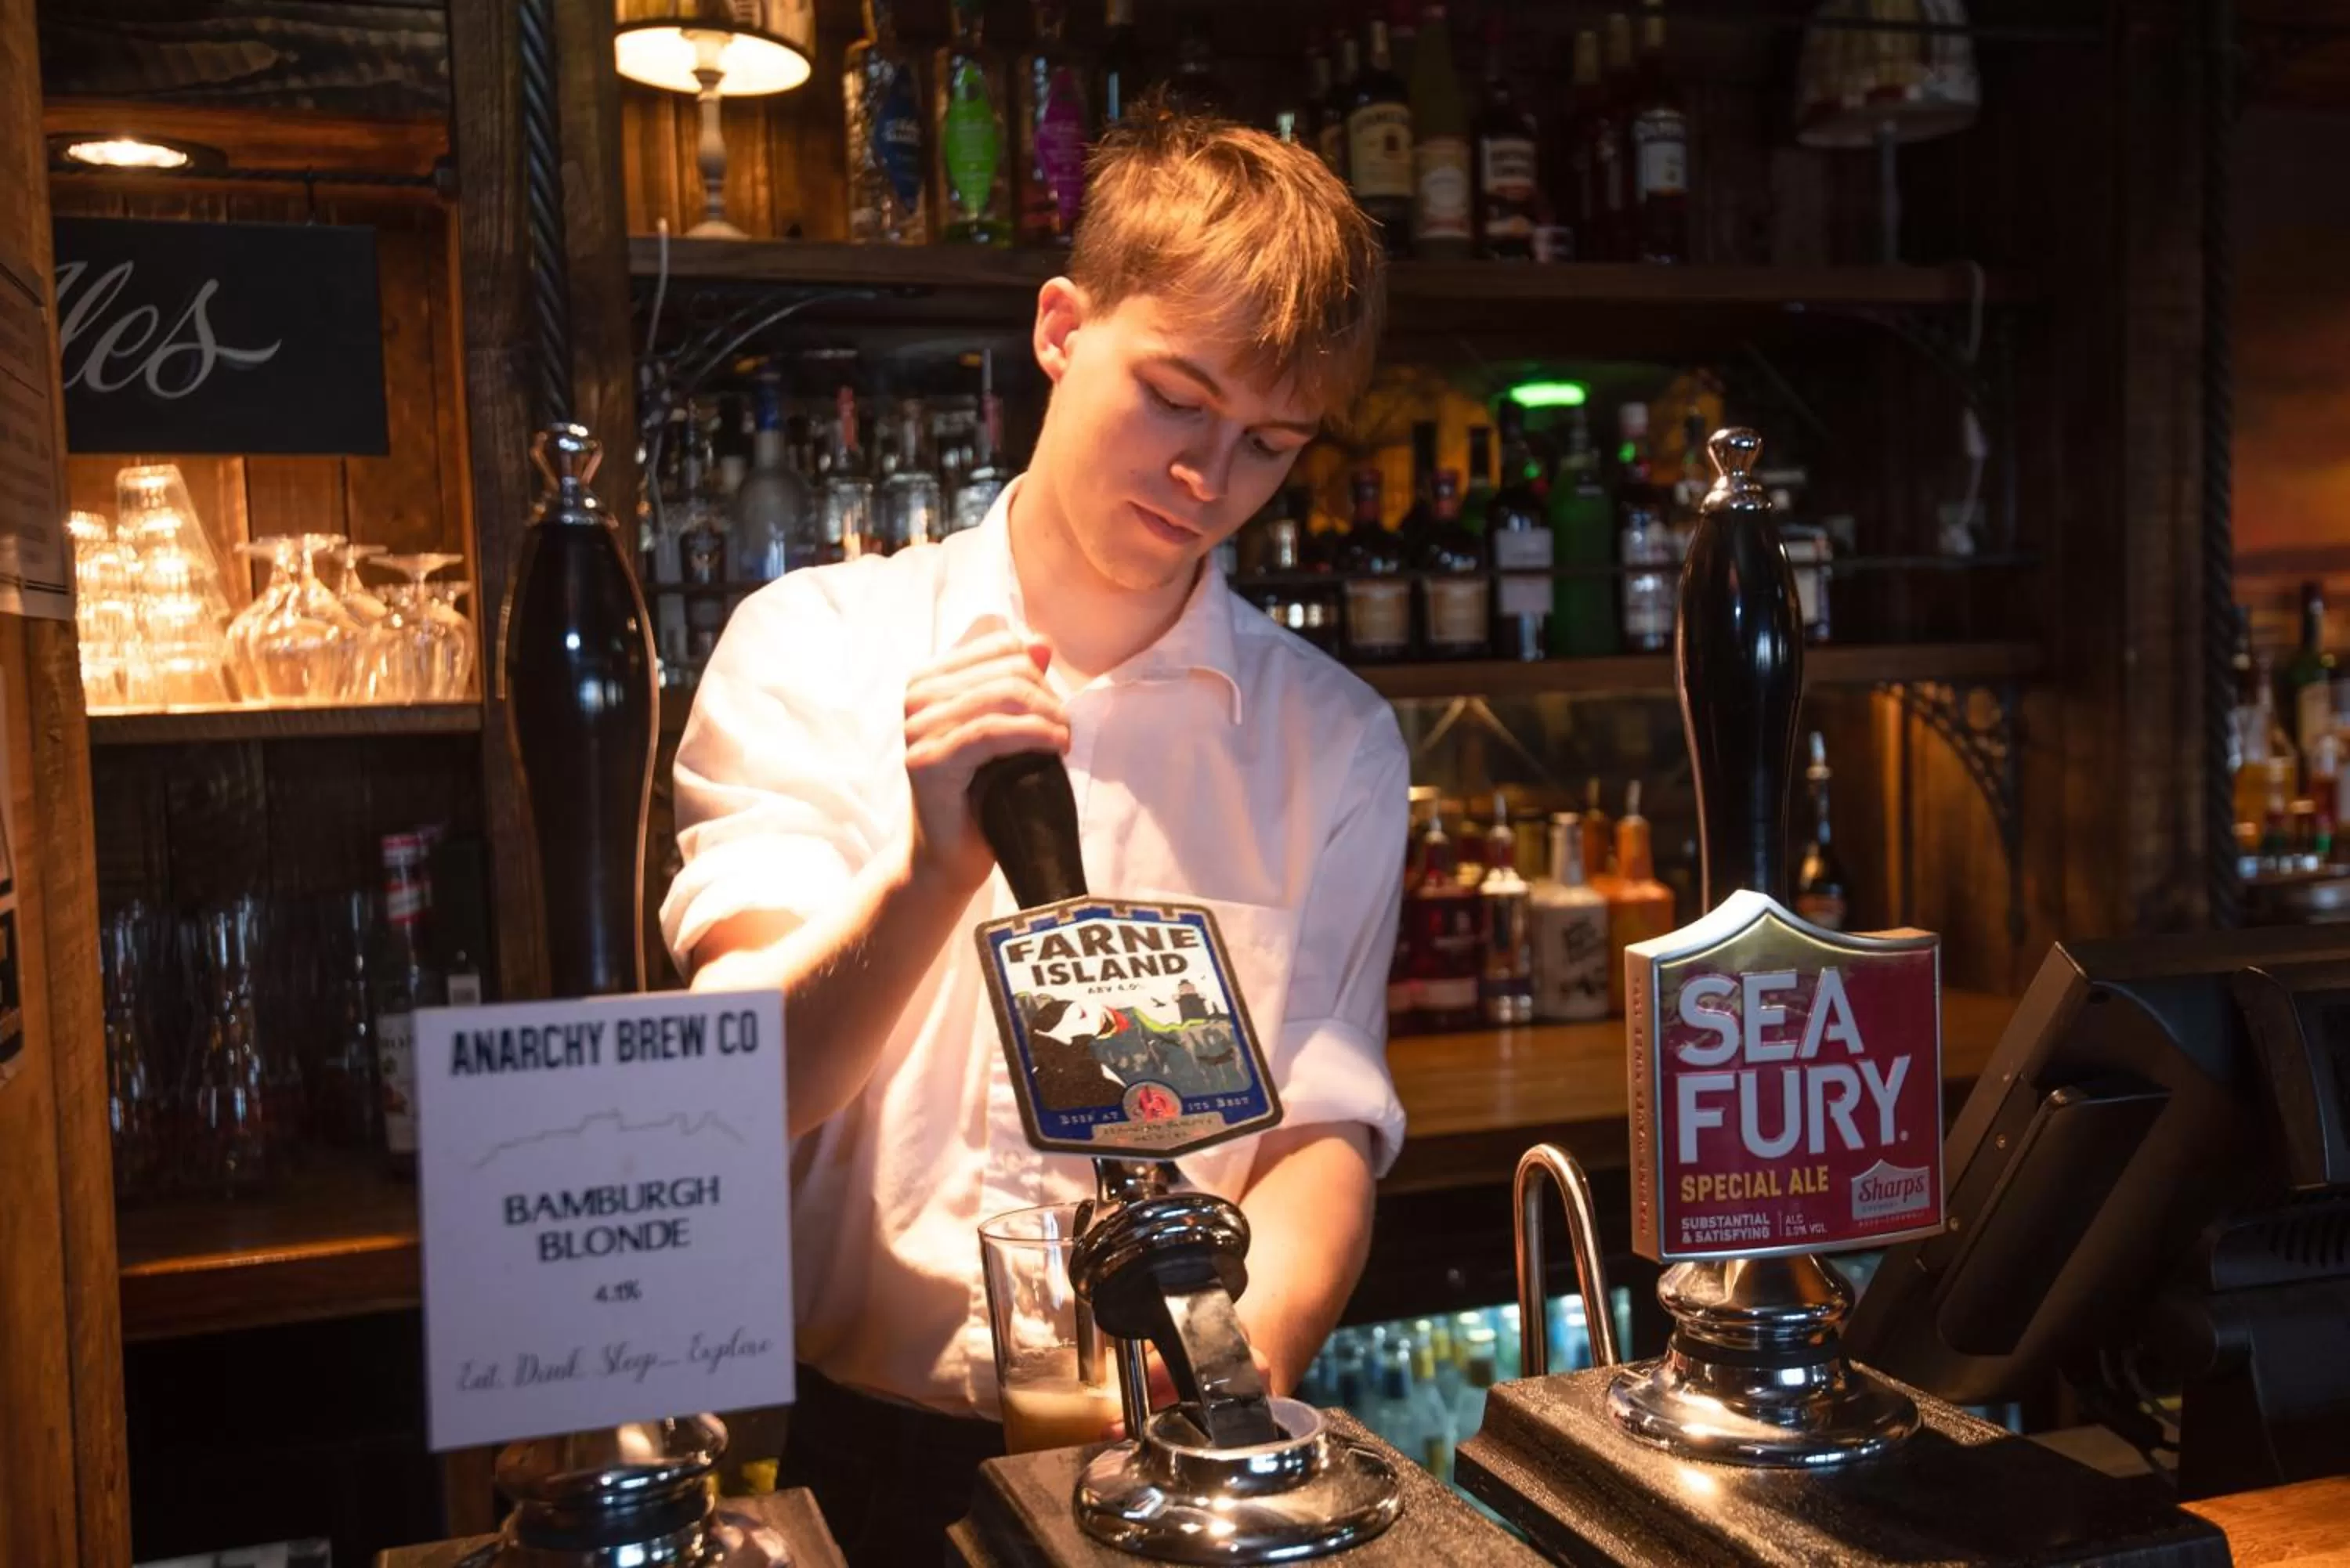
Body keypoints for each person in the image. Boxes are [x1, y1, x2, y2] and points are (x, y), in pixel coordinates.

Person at [662, 107, 1405, 1566]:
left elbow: (1321, 1128)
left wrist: (1227, 1387)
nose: (1208, 478)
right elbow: (737, 1100)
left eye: (1267, 444)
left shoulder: (1331, 738)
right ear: (1062, 328)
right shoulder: (811, 648)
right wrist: (930, 870)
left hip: (1185, 1449)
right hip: (857, 1456)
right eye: (1177, 397)